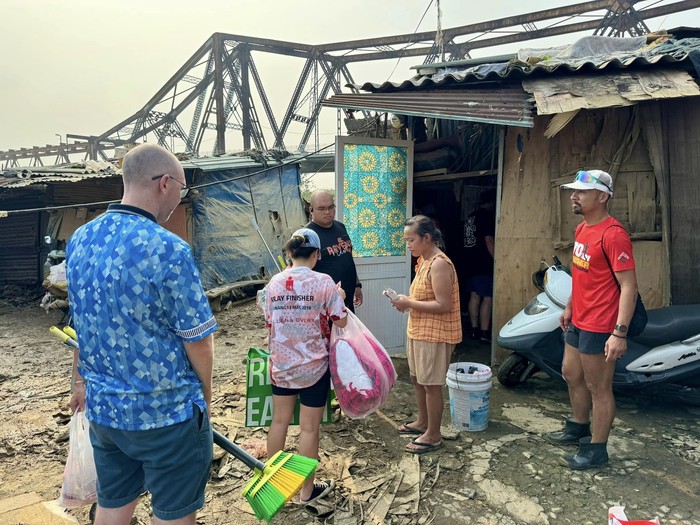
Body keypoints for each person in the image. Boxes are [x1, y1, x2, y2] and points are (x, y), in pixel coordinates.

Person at [66, 143, 217, 525]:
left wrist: (78, 382)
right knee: (174, 515)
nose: (178, 197)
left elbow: (83, 323)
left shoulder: (80, 241)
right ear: (165, 183)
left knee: (113, 508)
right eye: (181, 188)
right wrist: (206, 401)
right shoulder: (169, 249)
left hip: (106, 413)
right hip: (166, 415)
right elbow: (197, 338)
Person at [547, 170, 638, 470]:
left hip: (602, 324)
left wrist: (619, 332)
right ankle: (578, 426)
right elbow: (579, 273)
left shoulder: (613, 235)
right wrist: (570, 307)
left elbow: (629, 286)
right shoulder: (582, 229)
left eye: (582, 191)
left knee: (599, 387)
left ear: (602, 196)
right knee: (571, 373)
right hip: (579, 319)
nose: (574, 195)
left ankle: (597, 450)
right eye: (573, 190)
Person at [264, 228, 348, 505]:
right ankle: (306, 492)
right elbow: (341, 320)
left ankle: (275, 490)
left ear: (289, 253)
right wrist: (341, 298)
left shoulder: (273, 283)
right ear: (316, 254)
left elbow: (268, 318)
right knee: (309, 429)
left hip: (281, 366)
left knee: (279, 422)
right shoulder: (324, 283)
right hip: (313, 368)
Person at [390, 215, 462, 454]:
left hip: (435, 333)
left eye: (411, 240)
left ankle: (433, 434)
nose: (408, 245)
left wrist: (409, 303)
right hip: (419, 330)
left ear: (427, 238)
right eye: (406, 240)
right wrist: (406, 302)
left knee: (431, 384)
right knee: (417, 379)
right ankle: (422, 422)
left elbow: (444, 304)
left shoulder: (439, 263)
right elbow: (423, 298)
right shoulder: (423, 260)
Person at [306, 189, 363, 312]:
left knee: (348, 331)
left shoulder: (340, 227)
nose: (327, 212)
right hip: (325, 304)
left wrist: (357, 285)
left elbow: (347, 258)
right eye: (321, 209)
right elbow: (301, 272)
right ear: (311, 210)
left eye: (331, 207)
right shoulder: (307, 235)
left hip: (347, 299)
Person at [462, 188, 496, 343]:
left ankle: (474, 330)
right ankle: (484, 333)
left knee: (474, 296)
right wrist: (496, 260)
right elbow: (489, 240)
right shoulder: (488, 217)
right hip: (483, 263)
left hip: (469, 262)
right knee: (487, 298)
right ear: (491, 202)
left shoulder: (470, 217)